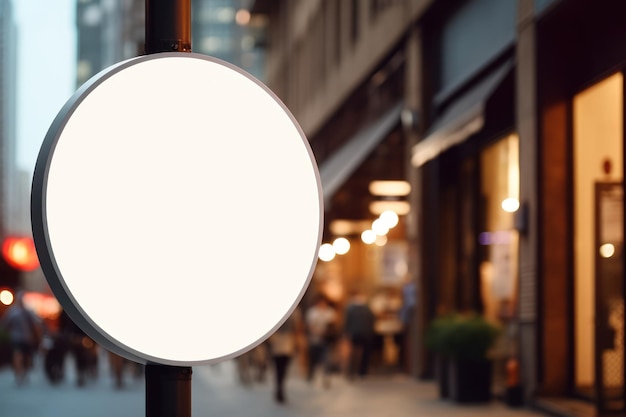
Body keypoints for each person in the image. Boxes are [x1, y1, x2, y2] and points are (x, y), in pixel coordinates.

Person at [0, 291, 43, 385]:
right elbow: (36, 326)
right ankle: (20, 374)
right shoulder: (20, 312)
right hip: (21, 338)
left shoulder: (15, 312)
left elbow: (5, 325)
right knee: (19, 355)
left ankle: (21, 374)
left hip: (22, 338)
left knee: (22, 356)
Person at [267, 309, 302, 403]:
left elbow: (297, 328)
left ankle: (279, 387)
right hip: (280, 341)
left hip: (286, 342)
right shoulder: (293, 312)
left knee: (281, 368)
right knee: (280, 368)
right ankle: (280, 388)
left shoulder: (294, 312)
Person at [304, 295, 337, 387]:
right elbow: (309, 326)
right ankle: (311, 373)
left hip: (326, 340)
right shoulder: (312, 312)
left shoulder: (330, 312)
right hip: (314, 339)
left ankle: (326, 377)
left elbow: (332, 325)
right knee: (312, 359)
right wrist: (316, 332)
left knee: (327, 359)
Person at [343, 290, 375, 379]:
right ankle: (362, 372)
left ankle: (351, 372)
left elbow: (347, 322)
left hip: (354, 333)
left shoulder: (350, 308)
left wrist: (346, 332)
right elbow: (372, 320)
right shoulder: (367, 308)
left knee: (353, 352)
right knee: (365, 353)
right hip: (366, 333)